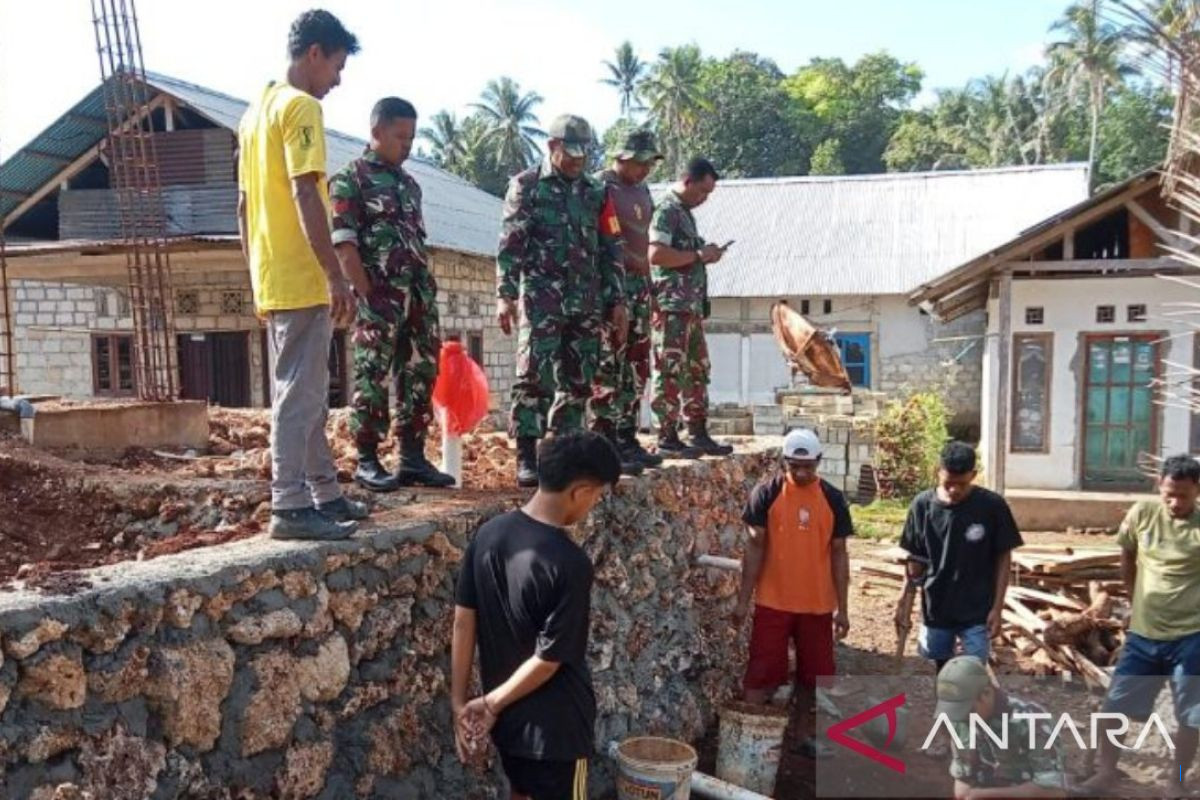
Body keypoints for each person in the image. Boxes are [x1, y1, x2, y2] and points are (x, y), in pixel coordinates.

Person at [237, 9, 368, 540]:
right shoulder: (301, 108)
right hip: (301, 275)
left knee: (307, 389)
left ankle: (324, 493)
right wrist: (334, 273)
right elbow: (305, 192)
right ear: (314, 53)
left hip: (274, 275)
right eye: (336, 66)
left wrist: (256, 279)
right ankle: (289, 505)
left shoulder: (254, 114)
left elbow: (243, 208)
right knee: (300, 394)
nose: (336, 80)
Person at [451, 432, 621, 800]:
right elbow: (549, 659)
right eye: (596, 495)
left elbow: (463, 621)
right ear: (579, 490)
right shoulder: (569, 563)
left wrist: (459, 704)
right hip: (558, 733)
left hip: (510, 728)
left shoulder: (488, 535)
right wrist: (491, 703)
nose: (593, 504)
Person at [329, 97, 454, 493]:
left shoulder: (409, 185)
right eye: (401, 136)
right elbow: (344, 243)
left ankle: (412, 458)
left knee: (420, 372)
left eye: (412, 137)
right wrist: (363, 293)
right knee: (372, 374)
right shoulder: (352, 179)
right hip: (379, 296)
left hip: (416, 296)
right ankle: (367, 458)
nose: (408, 145)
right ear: (377, 132)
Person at [496, 114, 628, 487]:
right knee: (533, 376)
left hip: (585, 302)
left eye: (584, 153)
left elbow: (610, 248)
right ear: (552, 146)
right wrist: (505, 296)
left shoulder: (596, 192)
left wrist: (616, 301)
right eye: (570, 152)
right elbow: (510, 246)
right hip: (542, 300)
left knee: (578, 381)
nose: (577, 160)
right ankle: (526, 455)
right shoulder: (527, 186)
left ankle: (565, 456)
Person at [1075, 454, 1200, 796]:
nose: (1175, 502)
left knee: (1191, 718)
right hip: (1144, 637)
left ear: (1197, 491)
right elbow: (1127, 555)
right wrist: (1134, 597)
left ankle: (1175, 778)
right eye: (1168, 493)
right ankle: (1106, 771)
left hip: (1190, 639)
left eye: (1184, 495)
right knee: (1113, 706)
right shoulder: (1142, 515)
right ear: (1159, 486)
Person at [734, 428, 852, 753]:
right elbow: (754, 547)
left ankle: (802, 736)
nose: (801, 473)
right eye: (794, 466)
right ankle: (750, 741)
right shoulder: (766, 494)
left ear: (818, 462)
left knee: (813, 678)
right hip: (773, 602)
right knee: (760, 673)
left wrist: (843, 607)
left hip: (817, 605)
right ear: (783, 461)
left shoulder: (832, 499)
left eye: (808, 467)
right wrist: (744, 601)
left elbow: (840, 553)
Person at [895, 441, 1022, 673]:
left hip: (977, 608)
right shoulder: (922, 506)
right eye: (948, 483)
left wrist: (997, 607)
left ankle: (968, 706)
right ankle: (949, 705)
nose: (954, 490)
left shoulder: (992, 506)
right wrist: (903, 601)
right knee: (942, 667)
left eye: (961, 484)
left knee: (972, 671)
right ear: (938, 472)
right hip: (936, 605)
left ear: (973, 475)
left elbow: (1004, 557)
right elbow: (914, 560)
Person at [589, 130, 665, 471]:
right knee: (610, 363)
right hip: (610, 286)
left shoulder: (643, 190)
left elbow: (643, 240)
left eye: (650, 162)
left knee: (637, 364)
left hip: (639, 287)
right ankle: (603, 439)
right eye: (640, 162)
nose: (646, 168)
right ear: (621, 156)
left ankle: (626, 435)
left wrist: (649, 284)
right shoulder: (599, 187)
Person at [648, 157, 731, 459]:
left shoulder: (684, 213)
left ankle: (697, 432)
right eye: (702, 192)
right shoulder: (667, 210)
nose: (704, 200)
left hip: (690, 306)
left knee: (697, 368)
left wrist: (707, 254)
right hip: (671, 306)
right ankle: (666, 435)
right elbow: (656, 255)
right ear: (687, 181)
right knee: (670, 368)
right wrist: (698, 255)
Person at [934, 656, 1067, 799]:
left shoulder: (1032, 721)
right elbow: (963, 779)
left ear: (986, 694)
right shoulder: (958, 720)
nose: (960, 719)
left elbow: (1054, 792)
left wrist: (982, 796)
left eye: (965, 710)